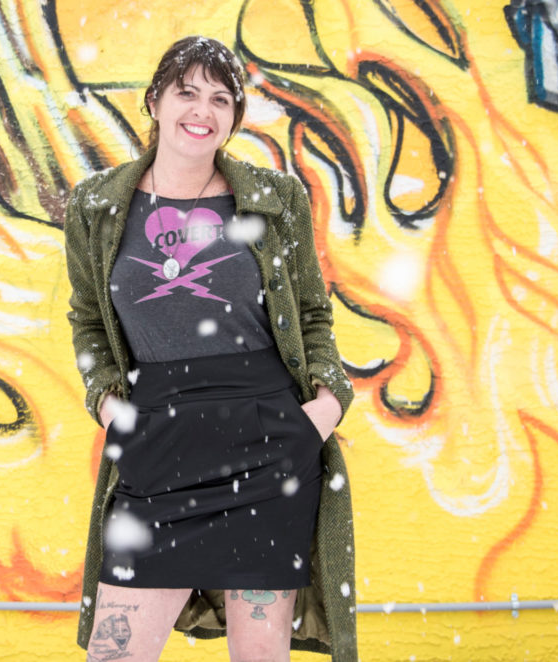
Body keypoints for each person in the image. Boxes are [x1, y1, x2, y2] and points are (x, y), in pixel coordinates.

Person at [64, 36, 357, 661]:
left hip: (268, 440)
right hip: (157, 442)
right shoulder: (96, 206)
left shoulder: (276, 200)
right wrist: (112, 412)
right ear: (155, 100)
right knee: (115, 653)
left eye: (221, 99)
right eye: (187, 91)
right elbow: (89, 321)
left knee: (259, 653)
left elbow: (310, 314)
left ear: (233, 118)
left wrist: (324, 413)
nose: (203, 110)